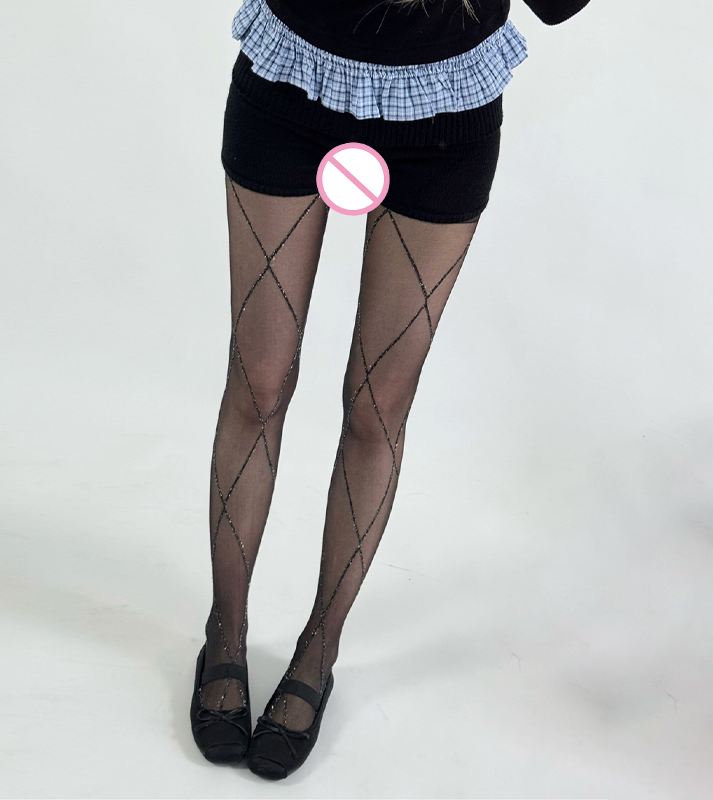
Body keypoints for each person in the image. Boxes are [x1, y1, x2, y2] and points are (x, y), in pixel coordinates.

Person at [190, 0, 592, 781]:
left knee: (377, 411)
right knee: (259, 384)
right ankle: (225, 634)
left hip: (445, 114)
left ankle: (318, 651)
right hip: (294, 80)